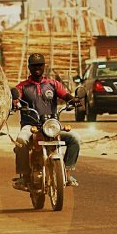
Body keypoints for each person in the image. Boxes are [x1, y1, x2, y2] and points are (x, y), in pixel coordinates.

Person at [14, 53, 81, 187]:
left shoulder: (53, 84)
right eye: (34, 66)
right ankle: (24, 176)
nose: (37, 68)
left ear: (44, 66)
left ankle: (67, 173)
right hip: (31, 126)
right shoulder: (22, 86)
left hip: (51, 126)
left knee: (75, 138)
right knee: (21, 141)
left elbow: (66, 95)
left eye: (39, 65)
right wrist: (15, 102)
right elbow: (16, 96)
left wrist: (73, 100)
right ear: (29, 67)